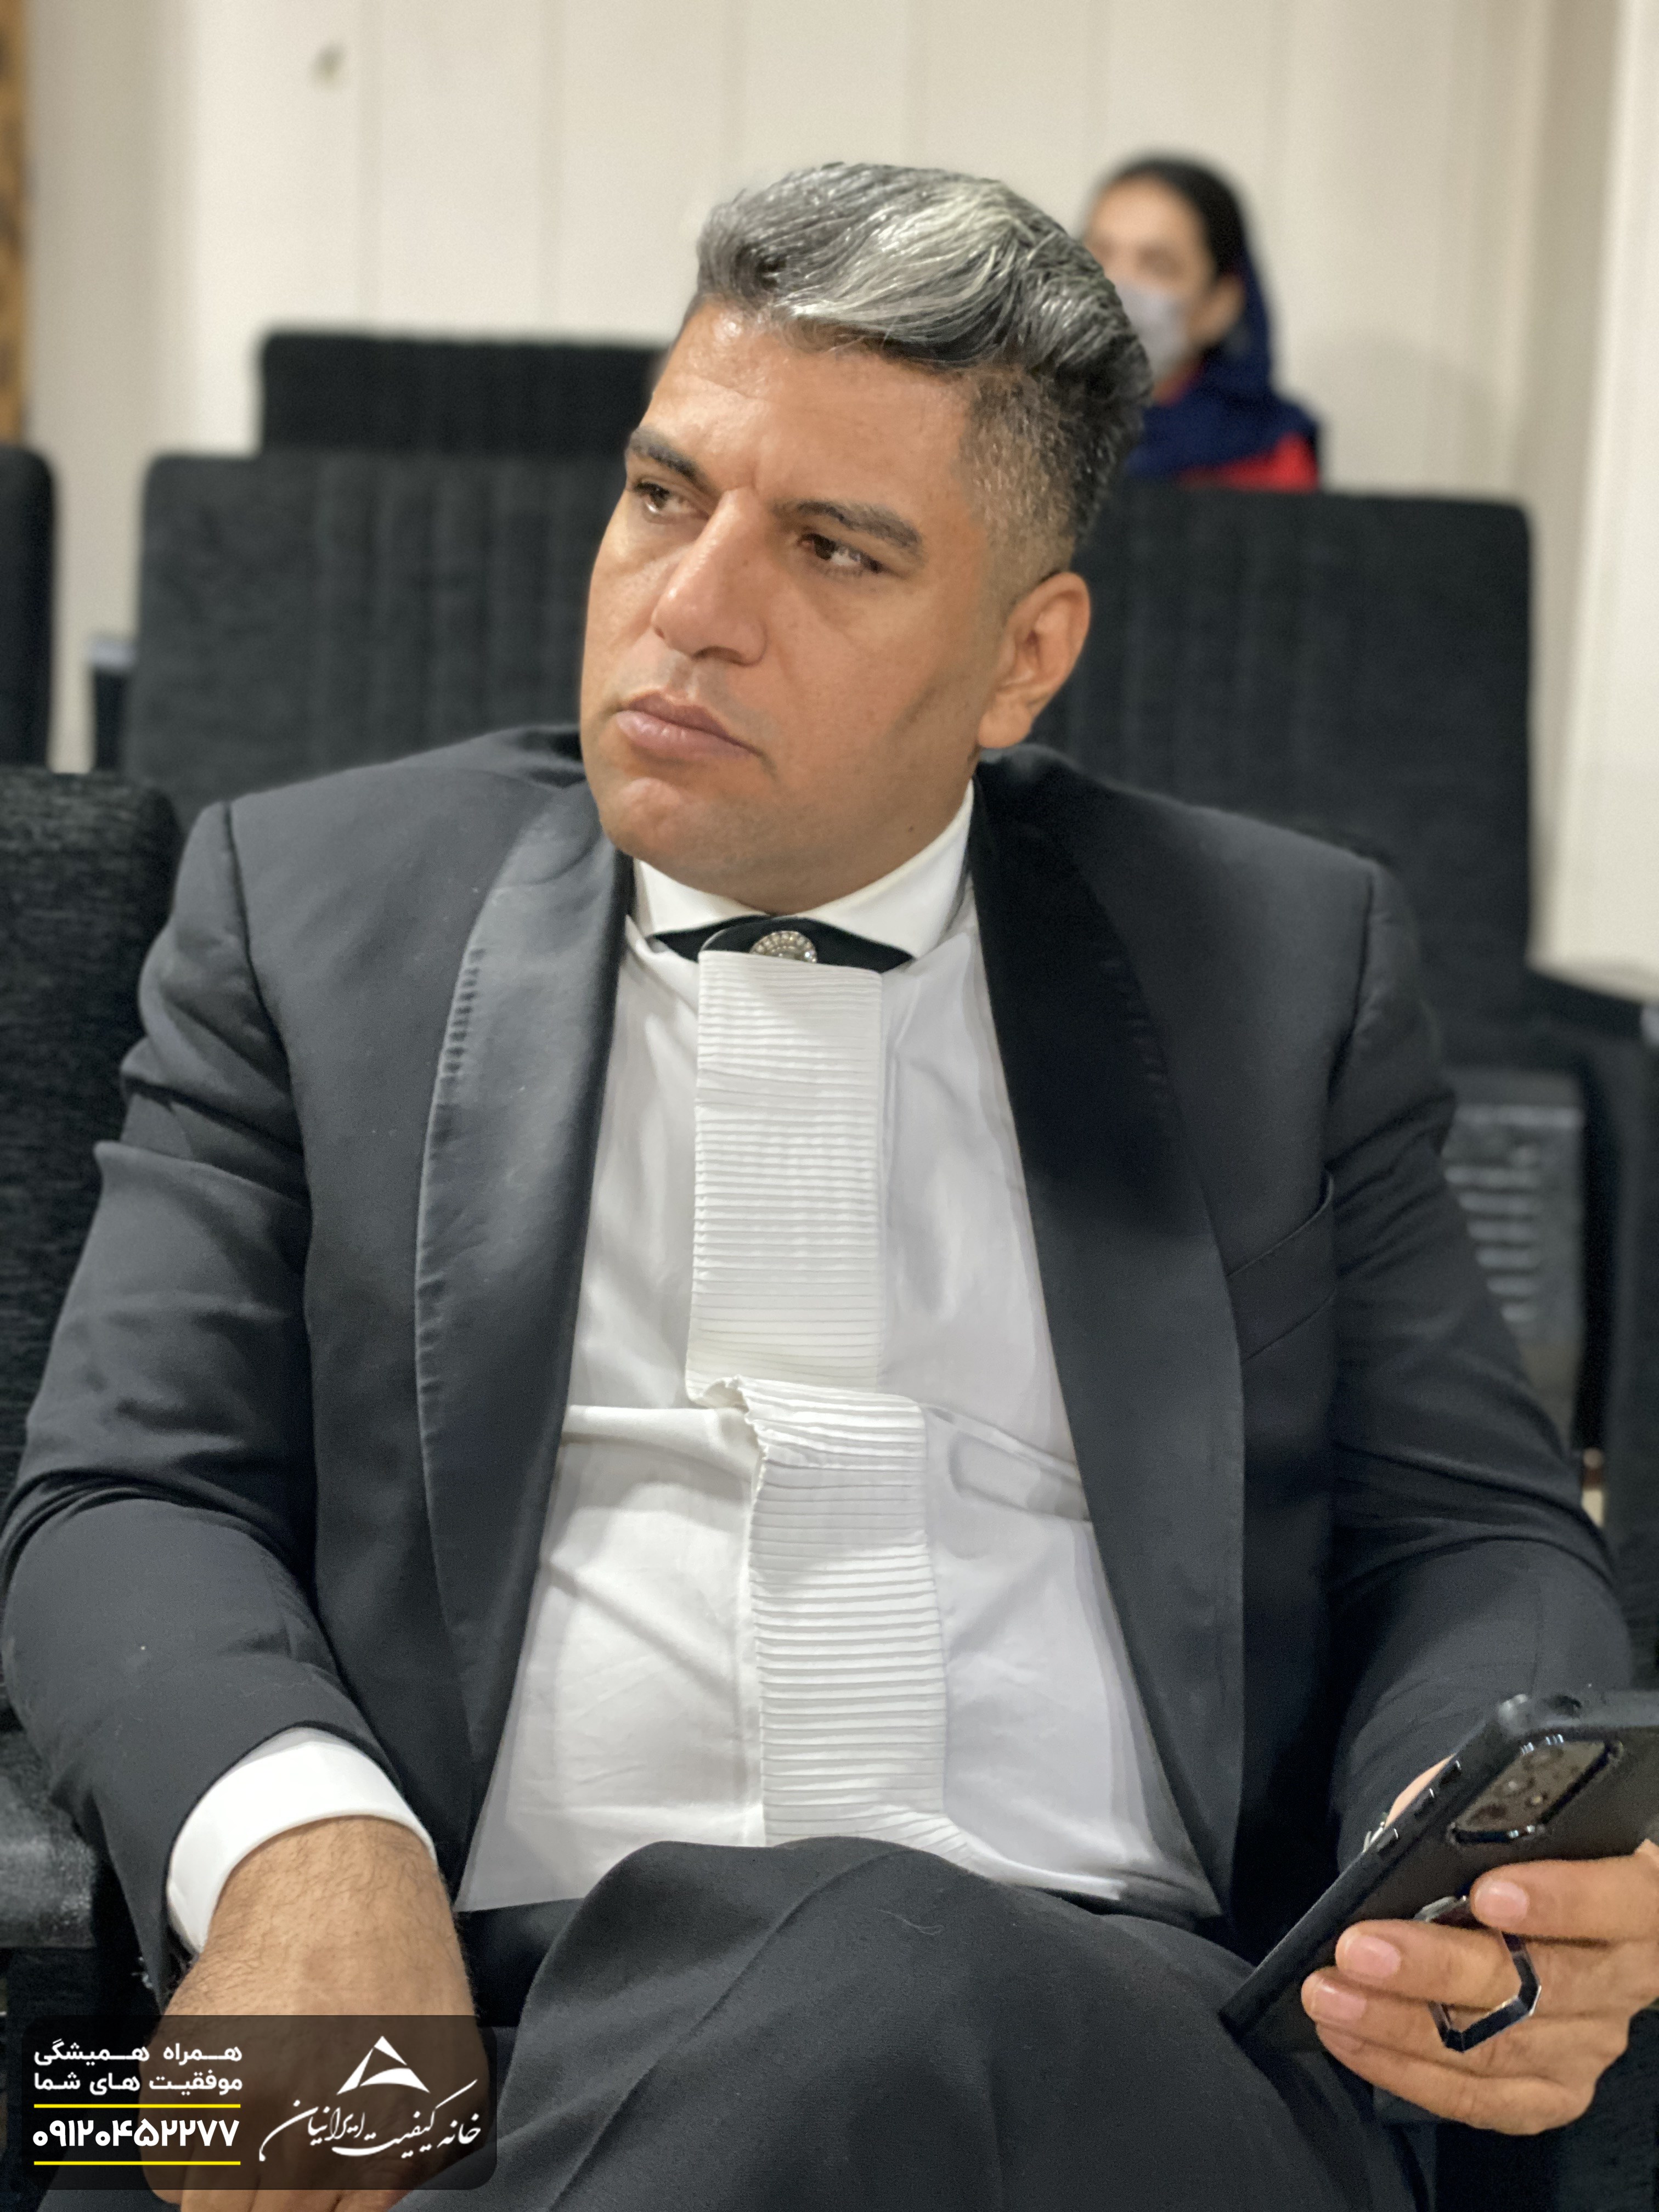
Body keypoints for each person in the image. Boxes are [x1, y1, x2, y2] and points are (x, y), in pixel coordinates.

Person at [3, 161, 1652, 2212]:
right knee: (175, 2107)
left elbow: (1468, 1529)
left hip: (1113, 2060)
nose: (691, 605)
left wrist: (1477, 1853)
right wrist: (304, 1841)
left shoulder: (1277, 966)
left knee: (895, 1971)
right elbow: (117, 1492)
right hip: (430, 2052)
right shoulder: (311, 910)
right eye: (662, 494)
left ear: (1022, 656)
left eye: (835, 548)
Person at [1085, 154, 1321, 488]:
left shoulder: (1266, 455)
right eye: (1096, 256)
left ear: (1220, 305)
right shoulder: (1022, 424)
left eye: (1158, 266)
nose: (1114, 284)